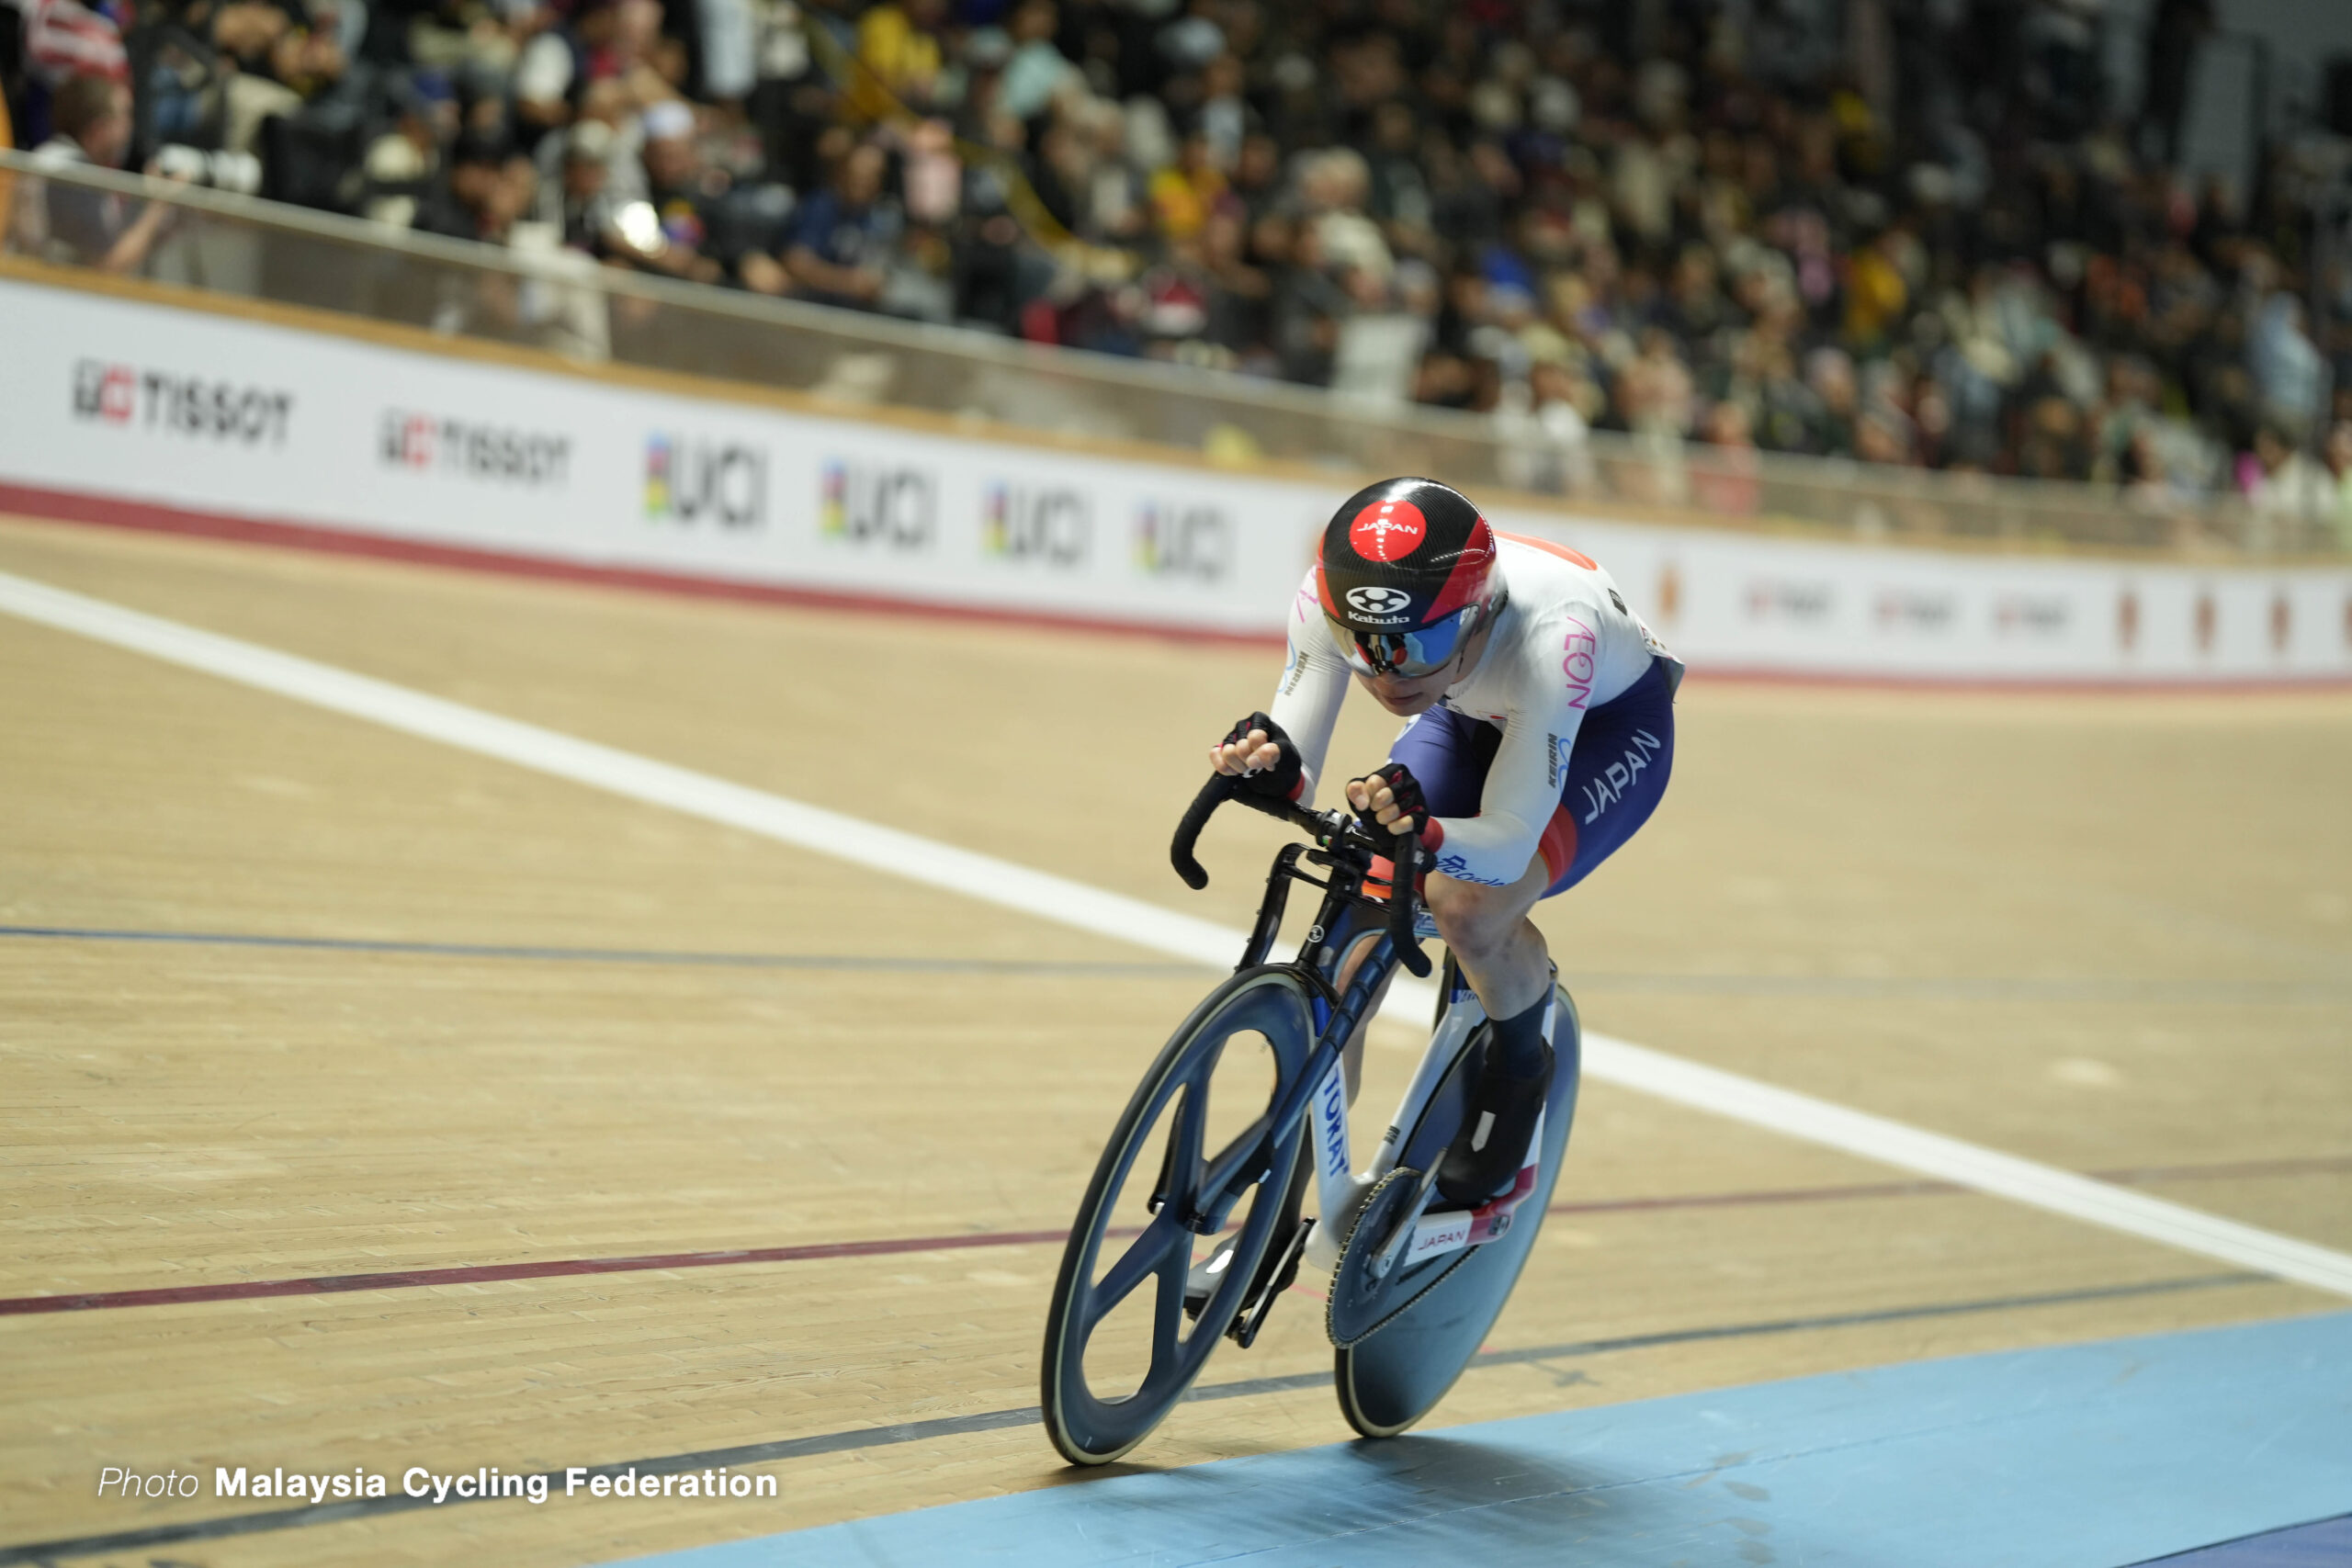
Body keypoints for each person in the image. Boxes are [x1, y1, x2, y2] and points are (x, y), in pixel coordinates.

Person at [1210, 477, 1679, 1206]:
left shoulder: (1557, 635)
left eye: (1418, 643)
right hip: (1470, 710)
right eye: (1363, 646)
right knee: (1351, 923)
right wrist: (1270, 770)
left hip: (1605, 729)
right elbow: (1300, 779)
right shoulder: (1334, 596)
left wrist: (1425, 833)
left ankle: (1520, 1071)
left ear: (1481, 613)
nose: (1389, 672)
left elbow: (1503, 846)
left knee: (1468, 908)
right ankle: (1280, 1202)